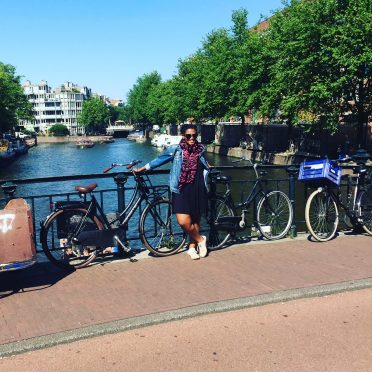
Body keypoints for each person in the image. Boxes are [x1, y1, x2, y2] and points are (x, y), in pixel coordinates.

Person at [134, 124, 210, 260]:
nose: (192, 138)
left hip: (197, 186)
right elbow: (160, 160)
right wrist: (142, 169)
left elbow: (204, 163)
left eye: (194, 135)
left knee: (195, 218)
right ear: (183, 136)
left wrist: (210, 168)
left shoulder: (200, 150)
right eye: (188, 136)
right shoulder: (176, 149)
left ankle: (192, 248)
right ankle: (201, 240)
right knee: (183, 221)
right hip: (180, 187)